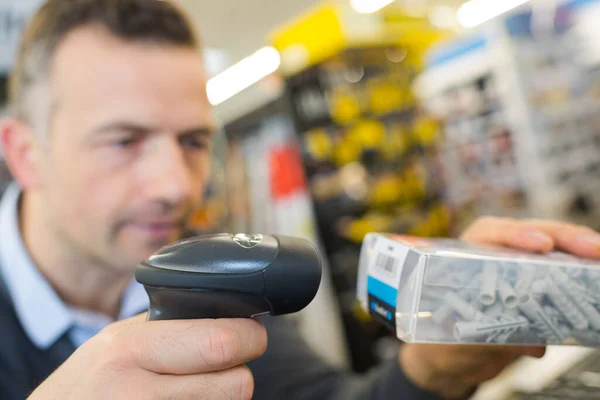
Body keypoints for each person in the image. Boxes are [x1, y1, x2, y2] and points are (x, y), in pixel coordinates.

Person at [1, 0, 600, 399]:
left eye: (192, 141)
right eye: (124, 141)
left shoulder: (210, 286)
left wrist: (432, 370)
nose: (177, 186)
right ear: (24, 152)